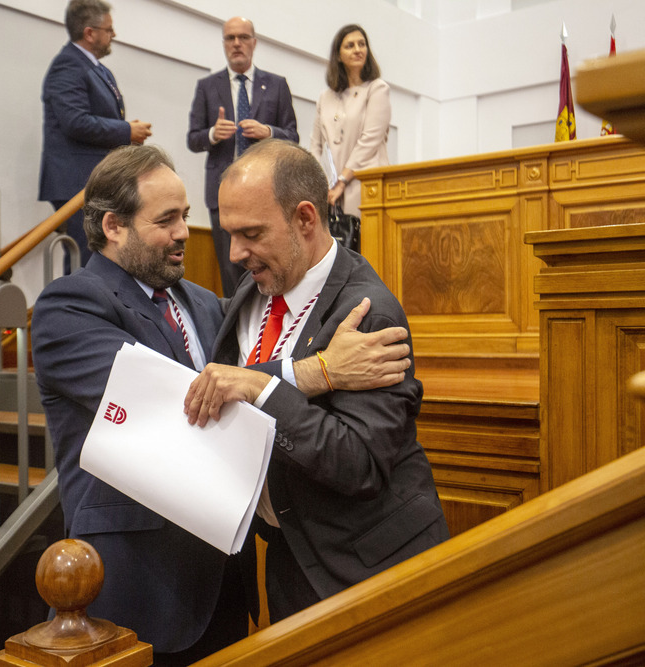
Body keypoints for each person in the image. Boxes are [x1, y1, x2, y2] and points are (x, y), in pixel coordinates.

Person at [31, 144, 413, 663]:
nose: (186, 232)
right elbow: (175, 403)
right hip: (135, 584)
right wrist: (314, 371)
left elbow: (237, 396)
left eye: (185, 216)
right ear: (114, 226)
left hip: (224, 584)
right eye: (166, 219)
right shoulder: (68, 307)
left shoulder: (211, 304)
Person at [185, 139, 449, 624]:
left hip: (368, 566)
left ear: (305, 218)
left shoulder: (368, 313)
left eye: (251, 233)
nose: (235, 252)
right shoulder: (256, 286)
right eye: (229, 233)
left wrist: (261, 390)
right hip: (291, 556)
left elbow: (360, 463)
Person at [187, 16, 298, 297]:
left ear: (254, 42)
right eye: (230, 38)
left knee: (268, 263)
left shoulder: (276, 85)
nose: (237, 43)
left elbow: (293, 136)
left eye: (243, 37)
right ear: (224, 43)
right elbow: (193, 138)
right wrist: (213, 133)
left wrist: (268, 131)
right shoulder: (207, 87)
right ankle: (237, 332)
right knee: (231, 268)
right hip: (223, 193)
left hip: (268, 190)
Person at [38, 0, 152, 271]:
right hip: (75, 182)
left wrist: (126, 130)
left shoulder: (96, 68)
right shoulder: (67, 65)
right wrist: (126, 130)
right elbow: (75, 122)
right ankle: (79, 312)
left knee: (101, 257)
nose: (114, 35)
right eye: (109, 29)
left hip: (93, 181)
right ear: (90, 33)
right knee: (86, 258)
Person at [309, 24, 390, 218]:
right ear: (338, 55)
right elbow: (316, 145)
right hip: (329, 192)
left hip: (364, 184)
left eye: (362, 44)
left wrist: (343, 181)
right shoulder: (325, 97)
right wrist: (323, 184)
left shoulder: (377, 89)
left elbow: (370, 140)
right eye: (350, 45)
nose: (357, 50)